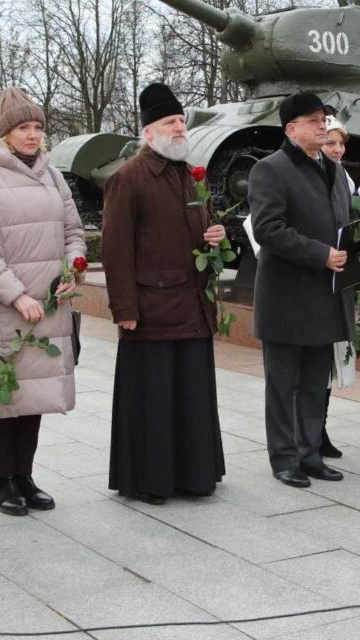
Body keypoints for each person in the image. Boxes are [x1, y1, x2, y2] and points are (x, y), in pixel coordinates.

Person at [0, 87, 86, 516]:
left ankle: (25, 476)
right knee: (4, 394)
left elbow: (73, 231)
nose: (32, 136)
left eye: (37, 127)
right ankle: (2, 480)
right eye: (22, 128)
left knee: (35, 392)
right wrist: (17, 295)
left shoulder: (53, 175)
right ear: (5, 133)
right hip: (2, 307)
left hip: (48, 304)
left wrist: (72, 270)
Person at [102, 82, 226, 504]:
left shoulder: (191, 176)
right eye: (171, 122)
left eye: (181, 121)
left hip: (191, 306)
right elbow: (115, 249)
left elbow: (199, 232)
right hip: (151, 309)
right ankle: (151, 480)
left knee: (190, 397)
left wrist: (216, 234)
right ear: (148, 131)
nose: (180, 128)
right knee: (153, 400)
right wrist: (124, 308)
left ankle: (193, 476)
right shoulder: (128, 179)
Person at [249, 91, 360, 488]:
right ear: (291, 129)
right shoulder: (270, 169)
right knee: (283, 385)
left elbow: (341, 221)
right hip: (287, 298)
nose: (322, 126)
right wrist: (321, 255)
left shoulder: (331, 169)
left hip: (325, 295)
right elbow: (268, 229)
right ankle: (284, 459)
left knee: (315, 382)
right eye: (314, 121)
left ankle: (310, 454)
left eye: (324, 119)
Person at [317, 116, 353, 459]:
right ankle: (310, 431)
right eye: (331, 143)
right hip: (315, 276)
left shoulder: (344, 176)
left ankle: (321, 428)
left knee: (330, 363)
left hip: (338, 279)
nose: (337, 149)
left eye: (341, 143)